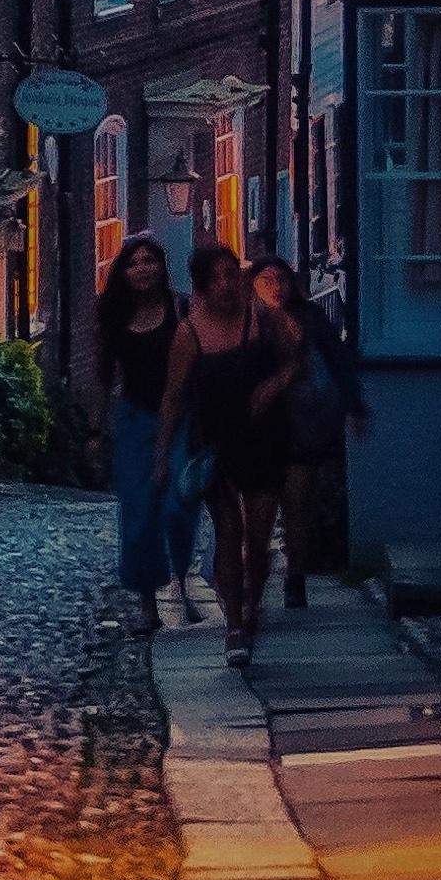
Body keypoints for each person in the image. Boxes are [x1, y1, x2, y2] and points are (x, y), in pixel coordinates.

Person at [156, 242, 293, 665]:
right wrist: (162, 456)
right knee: (229, 532)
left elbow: (294, 360)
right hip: (215, 443)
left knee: (259, 537)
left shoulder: (262, 318)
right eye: (216, 279)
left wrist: (272, 386)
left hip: (264, 436)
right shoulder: (189, 333)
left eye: (231, 274)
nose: (227, 286)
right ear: (201, 287)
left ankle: (252, 606)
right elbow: (174, 398)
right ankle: (233, 624)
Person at [251, 257, 369, 608]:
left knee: (297, 505)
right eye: (266, 279)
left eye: (280, 278)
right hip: (260, 429)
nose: (275, 286)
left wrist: (355, 407)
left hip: (302, 424)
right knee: (259, 509)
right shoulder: (247, 323)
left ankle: (295, 575)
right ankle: (255, 578)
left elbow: (339, 361)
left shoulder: (311, 318)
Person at [97, 234, 190, 630]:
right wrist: (97, 428)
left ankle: (182, 579)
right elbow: (104, 375)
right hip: (135, 419)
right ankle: (148, 602)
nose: (142, 269)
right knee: (138, 516)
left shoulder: (182, 308)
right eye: (134, 263)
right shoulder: (113, 315)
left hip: (183, 418)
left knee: (177, 508)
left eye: (149, 260)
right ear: (124, 271)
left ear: (161, 266)